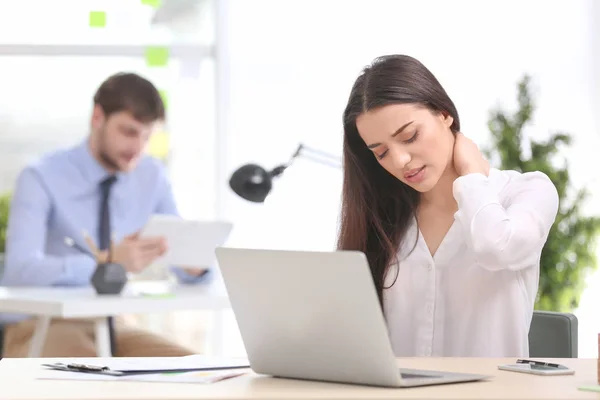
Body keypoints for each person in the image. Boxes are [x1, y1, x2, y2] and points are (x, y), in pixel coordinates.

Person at [337, 55, 559, 357]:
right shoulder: (385, 217)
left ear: (444, 114)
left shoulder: (526, 191)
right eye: (382, 153)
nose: (400, 161)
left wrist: (471, 176)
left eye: (409, 136)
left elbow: (495, 247)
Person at [0, 72, 210, 358]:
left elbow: (181, 255)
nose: (138, 147)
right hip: (41, 324)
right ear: (97, 117)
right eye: (129, 132)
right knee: (91, 378)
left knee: (201, 372)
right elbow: (19, 270)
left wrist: (194, 265)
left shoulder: (151, 176)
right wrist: (105, 264)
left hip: (115, 323)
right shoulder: (41, 176)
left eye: (147, 136)